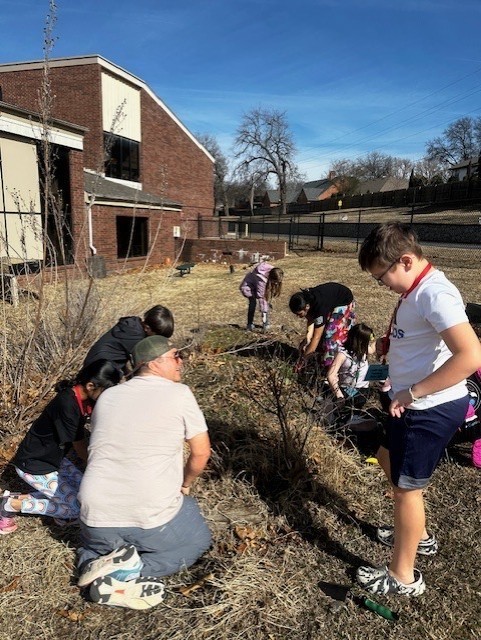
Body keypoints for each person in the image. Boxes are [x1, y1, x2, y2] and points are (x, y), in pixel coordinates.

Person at [356, 222, 481, 597]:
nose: (383, 285)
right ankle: (417, 534)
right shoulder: (417, 289)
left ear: (406, 261)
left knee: (407, 491)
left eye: (383, 277)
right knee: (385, 457)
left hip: (429, 407)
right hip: (411, 402)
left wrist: (413, 392)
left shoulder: (435, 294)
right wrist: (393, 344)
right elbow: (423, 336)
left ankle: (403, 576)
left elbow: (471, 354)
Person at [76, 335, 212, 610]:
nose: (181, 361)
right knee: (198, 539)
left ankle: (94, 563)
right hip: (148, 510)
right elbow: (201, 453)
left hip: (94, 510)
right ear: (153, 363)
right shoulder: (180, 393)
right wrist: (185, 484)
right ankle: (128, 573)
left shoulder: (109, 395)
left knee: (91, 546)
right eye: (175, 356)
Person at [0, 360, 122, 533]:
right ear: (90, 385)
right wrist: (97, 467)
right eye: (105, 391)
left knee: (85, 494)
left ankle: (58, 509)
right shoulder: (67, 404)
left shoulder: (84, 399)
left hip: (55, 460)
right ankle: (11, 504)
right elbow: (79, 446)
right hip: (35, 465)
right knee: (78, 509)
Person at [83, 305, 174, 371]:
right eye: (158, 337)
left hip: (99, 364)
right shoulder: (135, 337)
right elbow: (143, 366)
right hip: (98, 370)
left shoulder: (133, 325)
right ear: (147, 328)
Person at [289, 282, 356, 369]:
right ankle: (320, 357)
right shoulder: (308, 299)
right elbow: (311, 319)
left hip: (344, 301)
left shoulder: (319, 307)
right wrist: (308, 338)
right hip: (331, 300)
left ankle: (329, 367)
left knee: (330, 336)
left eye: (300, 314)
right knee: (320, 335)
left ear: (307, 307)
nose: (298, 317)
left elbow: (316, 337)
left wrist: (302, 361)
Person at [326, 322, 374, 410]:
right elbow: (331, 375)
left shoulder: (363, 350)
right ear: (360, 341)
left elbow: (372, 349)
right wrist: (339, 395)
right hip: (346, 390)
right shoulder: (343, 355)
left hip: (363, 389)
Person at [239, 262, 284, 331]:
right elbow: (262, 298)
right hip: (248, 288)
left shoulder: (272, 271)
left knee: (265, 304)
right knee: (253, 303)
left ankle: (265, 323)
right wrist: (264, 313)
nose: (276, 283)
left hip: (255, 285)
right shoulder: (261, 280)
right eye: (275, 281)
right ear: (271, 278)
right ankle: (250, 324)